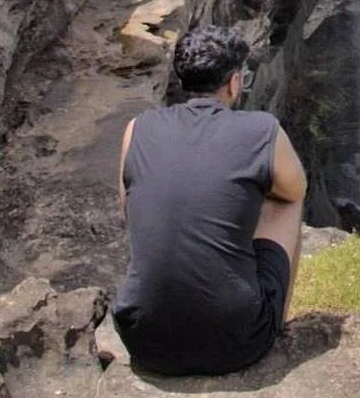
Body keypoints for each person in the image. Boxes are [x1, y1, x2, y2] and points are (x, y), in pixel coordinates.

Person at [113, 27, 307, 376]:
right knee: (282, 201)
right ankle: (274, 324)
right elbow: (295, 190)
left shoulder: (137, 128)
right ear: (234, 83)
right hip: (238, 341)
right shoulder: (262, 129)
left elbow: (128, 210)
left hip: (143, 339)